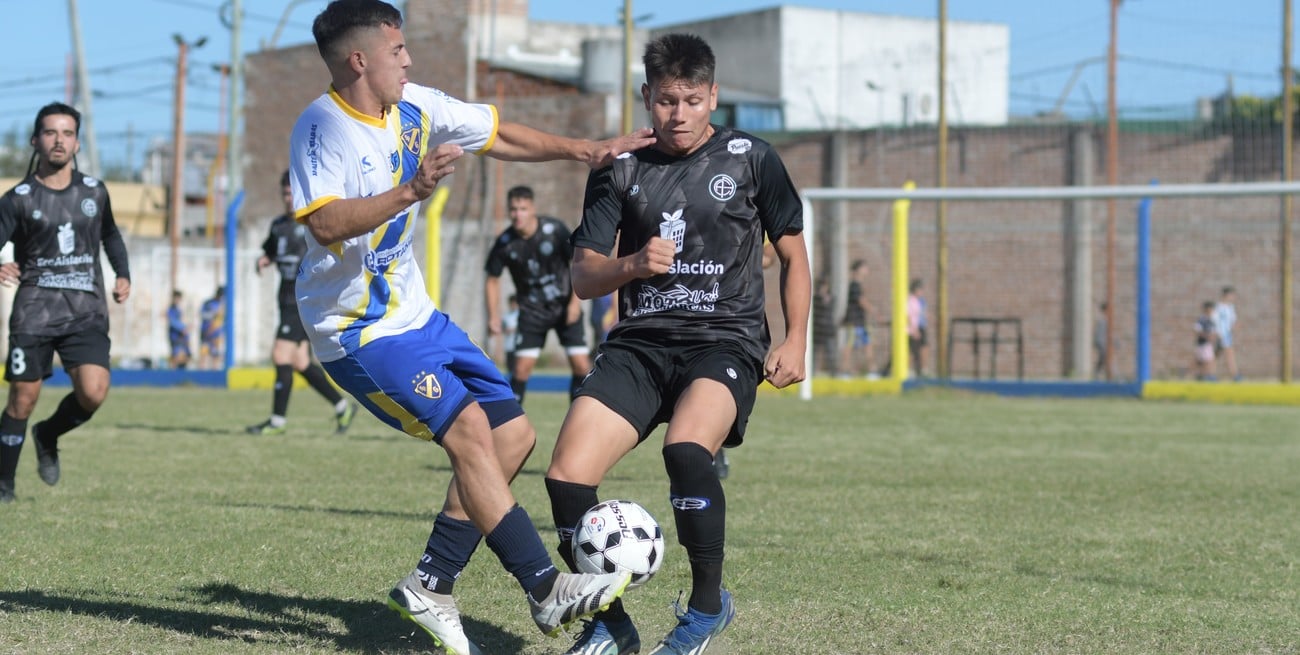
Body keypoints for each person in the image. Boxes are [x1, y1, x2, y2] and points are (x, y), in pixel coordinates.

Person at [289, 2, 653, 653]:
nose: (408, 60)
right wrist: (410, 191)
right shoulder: (321, 127)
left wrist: (585, 151)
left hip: (416, 315)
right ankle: (545, 586)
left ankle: (430, 583)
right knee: (469, 433)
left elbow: (497, 134)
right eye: (397, 51)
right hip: (357, 329)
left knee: (513, 435)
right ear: (360, 60)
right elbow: (323, 222)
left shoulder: (415, 106)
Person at [543, 33, 810, 655]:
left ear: (713, 96)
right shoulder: (619, 166)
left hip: (724, 341)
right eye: (667, 101)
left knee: (686, 451)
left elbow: (794, 255)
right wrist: (633, 264)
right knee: (565, 475)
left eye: (692, 100)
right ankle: (607, 620)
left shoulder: (752, 158)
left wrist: (796, 339)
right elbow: (584, 277)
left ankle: (706, 608)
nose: (679, 114)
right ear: (647, 97)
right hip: (639, 346)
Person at [0, 101, 131, 504]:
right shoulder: (17, 198)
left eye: (68, 133)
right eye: (51, 133)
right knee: (23, 399)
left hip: (85, 312)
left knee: (94, 391)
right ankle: (4, 486)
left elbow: (110, 235)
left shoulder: (94, 191)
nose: (59, 141)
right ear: (35, 140)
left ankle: (48, 434)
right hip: (34, 313)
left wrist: (123, 273)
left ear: (77, 143)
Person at [245, 171, 356, 436]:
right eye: (284, 193)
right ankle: (342, 407)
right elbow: (271, 250)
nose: (288, 198)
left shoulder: (313, 225)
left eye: (291, 193)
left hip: (303, 299)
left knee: (280, 354)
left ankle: (276, 422)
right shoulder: (278, 226)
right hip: (284, 299)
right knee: (299, 361)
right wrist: (264, 260)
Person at [484, 185, 591, 404]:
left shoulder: (554, 230)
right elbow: (492, 279)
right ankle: (511, 420)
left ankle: (578, 415)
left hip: (564, 307)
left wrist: (575, 303)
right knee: (521, 369)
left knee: (582, 365)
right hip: (532, 312)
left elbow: (578, 262)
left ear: (532, 208)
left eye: (523, 209)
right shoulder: (505, 243)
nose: (518, 215)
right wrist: (493, 316)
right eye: (513, 209)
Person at [839, 259, 875, 378]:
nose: (866, 270)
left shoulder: (858, 285)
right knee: (849, 345)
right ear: (858, 270)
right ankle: (844, 371)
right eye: (864, 267)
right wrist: (873, 310)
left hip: (861, 321)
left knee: (868, 345)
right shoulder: (854, 285)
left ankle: (871, 371)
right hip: (854, 322)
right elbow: (861, 301)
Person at [813, 276, 839, 377]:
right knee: (814, 353)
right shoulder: (815, 299)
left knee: (830, 353)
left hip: (828, 330)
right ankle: (813, 372)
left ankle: (833, 373)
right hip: (818, 330)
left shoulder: (831, 298)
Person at [1213, 285, 1240, 381]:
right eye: (1232, 295)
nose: (1233, 297)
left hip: (1228, 334)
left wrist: (1235, 326)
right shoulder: (1218, 307)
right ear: (1226, 295)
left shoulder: (1230, 307)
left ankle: (1210, 374)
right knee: (1228, 354)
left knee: (1216, 355)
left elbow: (1233, 320)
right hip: (1221, 334)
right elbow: (1215, 320)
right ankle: (1235, 375)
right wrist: (1217, 333)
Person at [198, 285, 225, 369]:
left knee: (215, 353)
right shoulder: (208, 303)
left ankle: (215, 370)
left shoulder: (223, 304)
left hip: (216, 332)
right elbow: (202, 314)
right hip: (206, 331)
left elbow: (222, 319)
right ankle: (202, 371)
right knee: (204, 352)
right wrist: (213, 315)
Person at [907, 277, 927, 376]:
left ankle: (918, 371)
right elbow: (908, 315)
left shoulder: (917, 300)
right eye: (920, 289)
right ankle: (911, 370)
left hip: (914, 329)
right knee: (912, 351)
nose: (922, 292)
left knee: (916, 351)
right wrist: (914, 330)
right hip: (910, 330)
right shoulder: (910, 300)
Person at [1193, 300, 1217, 381]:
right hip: (1202, 343)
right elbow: (1197, 330)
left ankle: (1208, 374)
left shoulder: (1211, 320)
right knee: (1205, 360)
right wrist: (1207, 336)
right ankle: (1206, 375)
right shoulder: (1202, 320)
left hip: (1208, 344)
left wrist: (1213, 337)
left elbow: (1213, 331)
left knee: (1209, 359)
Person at [167, 290, 191, 370]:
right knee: (175, 355)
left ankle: (181, 373)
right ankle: (172, 373)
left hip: (182, 337)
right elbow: (172, 322)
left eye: (179, 298)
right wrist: (182, 329)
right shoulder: (171, 309)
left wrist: (186, 327)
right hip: (175, 336)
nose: (177, 300)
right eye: (176, 298)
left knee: (185, 356)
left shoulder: (179, 309)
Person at [1093, 301, 1108, 379]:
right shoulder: (1102, 320)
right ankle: (1097, 373)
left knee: (1104, 358)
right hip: (1101, 342)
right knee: (1103, 357)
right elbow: (1099, 333)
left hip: (1104, 343)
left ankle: (1100, 373)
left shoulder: (1107, 320)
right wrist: (1098, 343)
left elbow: (1109, 333)